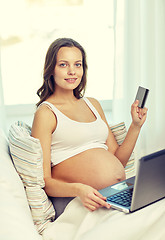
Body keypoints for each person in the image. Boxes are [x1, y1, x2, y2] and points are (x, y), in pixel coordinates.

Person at [31, 38, 147, 217]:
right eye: (63, 64)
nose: (72, 71)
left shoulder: (93, 104)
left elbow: (119, 161)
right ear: (51, 69)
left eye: (78, 64)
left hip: (112, 196)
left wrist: (136, 125)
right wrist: (79, 190)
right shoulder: (46, 113)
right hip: (79, 200)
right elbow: (45, 181)